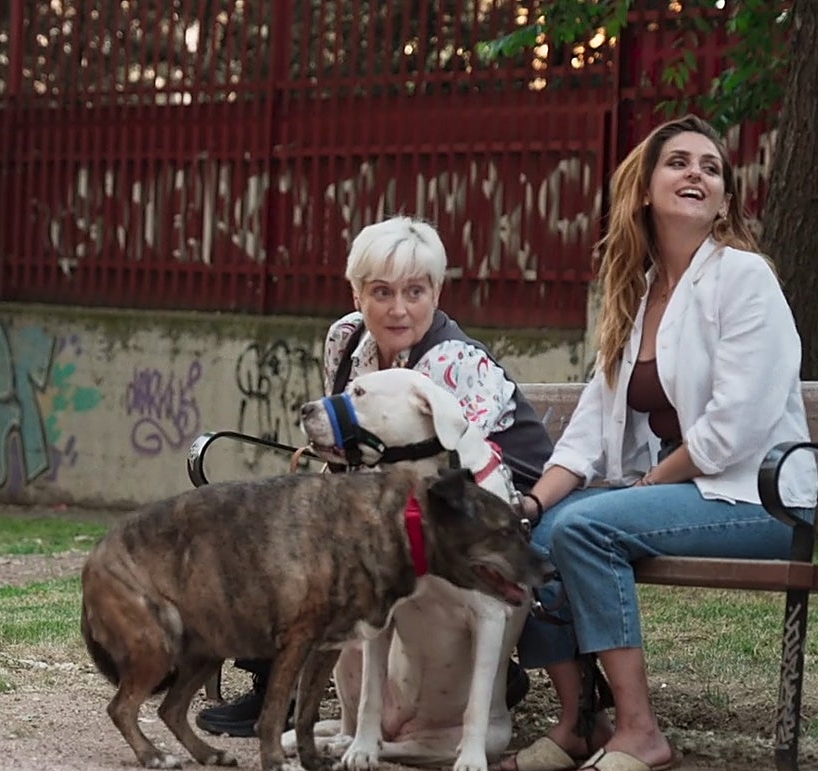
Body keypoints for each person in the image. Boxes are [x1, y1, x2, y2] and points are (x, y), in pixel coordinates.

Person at [497, 114, 818, 771]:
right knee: (546, 532)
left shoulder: (744, 279)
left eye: (710, 167)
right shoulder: (637, 296)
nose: (696, 174)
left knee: (586, 526)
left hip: (756, 498)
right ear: (644, 189)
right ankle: (577, 720)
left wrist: (646, 487)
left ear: (725, 201)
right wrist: (526, 506)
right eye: (678, 162)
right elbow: (586, 434)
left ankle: (641, 731)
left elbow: (735, 429)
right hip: (679, 491)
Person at [196, 215, 555, 737]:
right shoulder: (345, 339)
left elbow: (459, 477)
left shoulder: (452, 362)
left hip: (492, 509)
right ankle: (273, 683)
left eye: (415, 291)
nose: (399, 308)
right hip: (399, 500)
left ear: (436, 291)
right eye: (381, 291)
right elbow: (348, 445)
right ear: (357, 292)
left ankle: (314, 691)